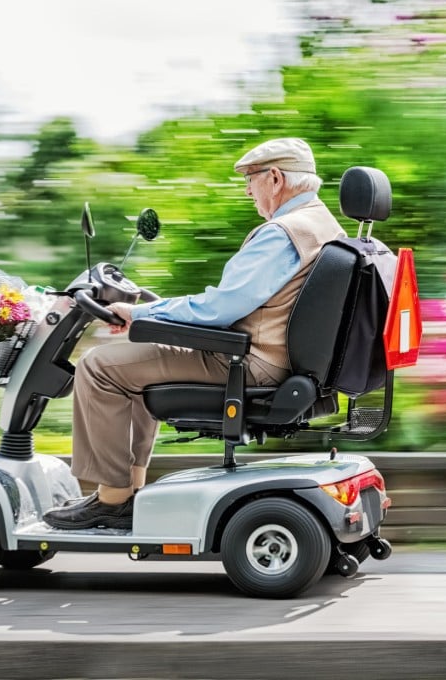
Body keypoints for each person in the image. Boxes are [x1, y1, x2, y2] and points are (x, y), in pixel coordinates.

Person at [43, 138, 347, 530]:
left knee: (99, 366)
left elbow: (220, 309)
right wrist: (148, 316)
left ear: (274, 179)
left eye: (250, 180)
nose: (247, 190)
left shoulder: (281, 233)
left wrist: (139, 313)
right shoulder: (324, 226)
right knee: (132, 358)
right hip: (279, 359)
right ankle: (128, 491)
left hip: (249, 362)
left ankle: (113, 500)